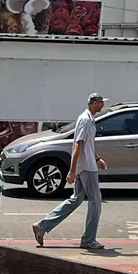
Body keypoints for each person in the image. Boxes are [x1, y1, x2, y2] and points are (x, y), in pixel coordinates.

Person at [32, 93, 108, 251]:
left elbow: (87, 145)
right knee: (95, 202)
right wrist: (71, 171)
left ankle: (42, 226)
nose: (102, 105)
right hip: (86, 167)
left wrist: (97, 159)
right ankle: (89, 239)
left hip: (86, 165)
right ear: (93, 103)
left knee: (76, 199)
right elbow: (77, 145)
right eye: (101, 102)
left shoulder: (88, 119)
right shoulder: (86, 120)